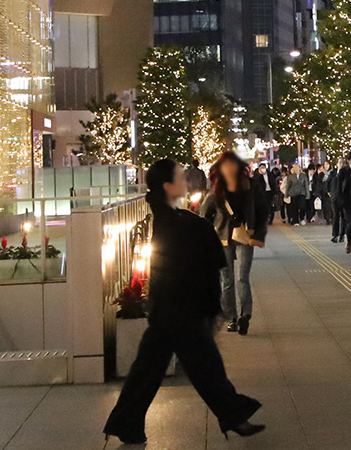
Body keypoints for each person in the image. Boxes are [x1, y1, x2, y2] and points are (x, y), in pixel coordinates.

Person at [104, 159, 265, 444]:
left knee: (156, 368)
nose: (186, 181)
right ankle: (233, 415)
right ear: (168, 186)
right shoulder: (171, 220)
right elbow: (182, 261)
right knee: (204, 365)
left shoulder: (172, 217)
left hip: (172, 310)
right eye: (180, 177)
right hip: (177, 310)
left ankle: (127, 422)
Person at [199, 152, 270, 335]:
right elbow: (205, 212)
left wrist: (258, 232)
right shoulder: (223, 189)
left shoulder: (241, 187)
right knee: (234, 279)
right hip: (234, 236)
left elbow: (263, 209)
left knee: (235, 278)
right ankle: (238, 316)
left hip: (237, 235)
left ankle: (238, 317)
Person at [328, 157, 347, 243]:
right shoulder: (333, 173)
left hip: (343, 198)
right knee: (335, 216)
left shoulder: (346, 173)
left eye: (343, 163)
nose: (341, 164)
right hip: (335, 198)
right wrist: (329, 192)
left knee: (343, 217)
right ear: (337, 164)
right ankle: (335, 234)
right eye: (340, 163)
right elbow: (328, 183)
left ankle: (342, 234)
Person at [316, 161, 335, 229]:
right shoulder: (321, 174)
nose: (326, 166)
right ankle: (327, 219)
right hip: (324, 193)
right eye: (325, 165)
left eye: (327, 164)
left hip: (331, 192)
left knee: (332, 206)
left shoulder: (332, 173)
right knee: (326, 206)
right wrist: (318, 193)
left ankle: (332, 218)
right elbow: (318, 184)